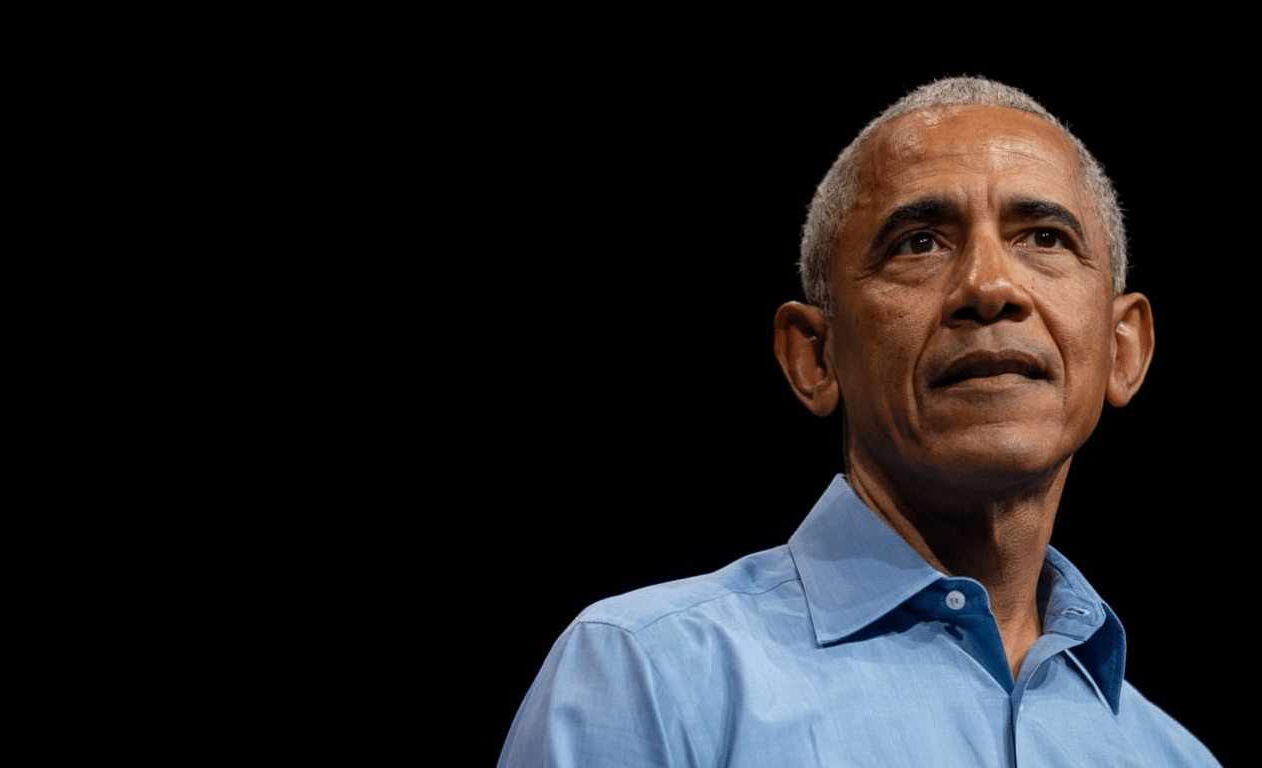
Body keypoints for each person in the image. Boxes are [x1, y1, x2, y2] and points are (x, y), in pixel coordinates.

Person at [497, 77, 1219, 767]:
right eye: (920, 242)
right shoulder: (651, 676)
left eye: (1045, 238)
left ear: (1124, 349)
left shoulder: (1174, 757)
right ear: (814, 355)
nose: (990, 287)